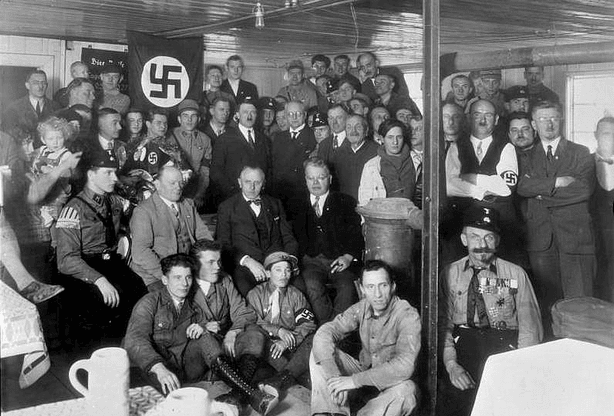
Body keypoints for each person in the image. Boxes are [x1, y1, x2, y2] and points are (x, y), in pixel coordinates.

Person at [124, 252, 277, 415]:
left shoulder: (194, 304)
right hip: (157, 370)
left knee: (209, 337)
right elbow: (134, 340)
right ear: (165, 280)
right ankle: (249, 393)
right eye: (177, 278)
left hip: (185, 367)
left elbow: (211, 340)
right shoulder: (150, 302)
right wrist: (158, 368)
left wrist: (205, 327)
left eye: (188, 277)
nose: (184, 283)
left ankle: (244, 393)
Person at [437, 205, 542, 416]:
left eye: (489, 238)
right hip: (464, 345)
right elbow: (442, 327)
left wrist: (520, 366)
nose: (482, 245)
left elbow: (530, 328)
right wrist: (451, 365)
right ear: (464, 239)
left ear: (497, 241)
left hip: (504, 346)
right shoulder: (450, 273)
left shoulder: (515, 274)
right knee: (457, 401)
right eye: (474, 237)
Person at [517, 100, 596, 335]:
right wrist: (557, 182)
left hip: (576, 241)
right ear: (534, 124)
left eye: (553, 118)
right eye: (542, 119)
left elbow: (583, 190)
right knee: (547, 306)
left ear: (561, 120)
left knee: (580, 305)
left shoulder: (580, 152)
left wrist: (541, 193)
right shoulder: (525, 156)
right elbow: (522, 187)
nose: (549, 124)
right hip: (541, 241)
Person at [55, 148, 147, 342]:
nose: (115, 178)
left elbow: (137, 214)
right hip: (84, 268)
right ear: (91, 175)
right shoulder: (73, 210)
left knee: (139, 290)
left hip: (110, 262)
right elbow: (66, 260)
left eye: (115, 172)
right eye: (108, 173)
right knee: (103, 302)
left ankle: (132, 347)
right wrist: (99, 280)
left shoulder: (114, 201)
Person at [310, 259, 421, 416]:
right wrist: (335, 378)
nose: (377, 294)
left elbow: (404, 366)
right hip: (363, 379)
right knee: (319, 353)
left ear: (393, 286)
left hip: (390, 386)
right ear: (362, 289)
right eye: (370, 287)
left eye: (383, 285)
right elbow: (325, 333)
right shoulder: (362, 307)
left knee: (407, 391)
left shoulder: (408, 315)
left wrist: (353, 381)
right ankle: (332, 412)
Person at [190, 240, 279, 414]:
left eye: (219, 261)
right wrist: (203, 326)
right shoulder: (184, 285)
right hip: (198, 353)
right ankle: (250, 393)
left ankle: (236, 395)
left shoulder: (224, 280)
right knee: (205, 338)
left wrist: (233, 332)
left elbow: (245, 313)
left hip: (224, 348)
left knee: (255, 334)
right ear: (195, 264)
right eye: (211, 262)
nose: (217, 267)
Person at [445, 99, 522, 265]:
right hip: (463, 217)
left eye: (488, 115)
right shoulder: (456, 146)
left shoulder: (506, 146)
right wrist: (481, 191)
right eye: (477, 115)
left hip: (500, 219)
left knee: (501, 270)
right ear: (468, 118)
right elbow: (449, 185)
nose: (482, 120)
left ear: (496, 119)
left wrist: (469, 177)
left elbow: (506, 187)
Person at [293, 157, 363, 324]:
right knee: (312, 285)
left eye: (321, 177)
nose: (315, 182)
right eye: (311, 178)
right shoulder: (296, 203)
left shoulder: (345, 202)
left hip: (339, 261)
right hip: (311, 262)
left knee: (347, 287)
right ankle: (327, 329)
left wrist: (348, 257)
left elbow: (356, 235)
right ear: (305, 180)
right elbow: (291, 237)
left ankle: (338, 329)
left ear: (330, 179)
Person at [216, 166, 298, 297]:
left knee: (299, 289)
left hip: (277, 263)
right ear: (239, 182)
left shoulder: (275, 204)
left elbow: (288, 237)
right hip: (245, 267)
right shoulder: (227, 207)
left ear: (263, 184)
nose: (252, 187)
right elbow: (223, 244)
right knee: (247, 292)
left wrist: (288, 261)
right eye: (247, 182)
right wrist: (247, 261)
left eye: (257, 182)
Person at [129, 165, 213, 291]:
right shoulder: (143, 211)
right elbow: (140, 252)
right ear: (157, 185)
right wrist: (167, 275)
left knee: (219, 285)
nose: (178, 187)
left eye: (180, 183)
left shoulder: (188, 204)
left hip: (187, 268)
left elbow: (203, 234)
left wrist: (209, 260)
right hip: (156, 275)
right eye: (172, 183)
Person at [246, 251, 316, 390]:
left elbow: (307, 324)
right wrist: (278, 330)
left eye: (287, 270)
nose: (284, 275)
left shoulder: (296, 295)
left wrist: (286, 342)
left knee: (315, 338)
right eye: (278, 270)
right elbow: (252, 322)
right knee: (255, 337)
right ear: (268, 273)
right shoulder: (256, 294)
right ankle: (292, 374)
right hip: (267, 347)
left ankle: (282, 377)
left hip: (289, 346)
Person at [210, 98, 271, 205]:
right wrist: (232, 191)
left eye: (253, 112)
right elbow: (216, 171)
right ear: (237, 115)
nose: (249, 116)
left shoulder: (264, 140)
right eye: (245, 112)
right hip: (233, 198)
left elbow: (269, 169)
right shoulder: (225, 139)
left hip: (259, 197)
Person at [270, 100, 316, 215]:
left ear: (305, 115)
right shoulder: (279, 138)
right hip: (282, 195)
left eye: (298, 114)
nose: (294, 117)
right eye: (290, 114)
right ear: (286, 116)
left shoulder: (313, 136)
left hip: (303, 196)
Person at [358, 119, 416, 206]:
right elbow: (364, 201)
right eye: (390, 137)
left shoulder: (416, 161)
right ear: (382, 139)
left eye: (399, 137)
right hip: (382, 213)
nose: (395, 142)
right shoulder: (371, 166)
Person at [168, 99, 212, 208]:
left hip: (193, 190)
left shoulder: (205, 140)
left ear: (199, 119)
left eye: (193, 116)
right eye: (185, 115)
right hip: (171, 189)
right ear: (179, 119)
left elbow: (205, 171)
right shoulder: (169, 136)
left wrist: (199, 194)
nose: (189, 119)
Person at [2, 70, 61, 148]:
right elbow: (8, 135)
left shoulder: (56, 107)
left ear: (47, 85)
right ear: (27, 85)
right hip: (23, 152)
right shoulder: (14, 108)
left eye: (43, 83)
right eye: (36, 83)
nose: (40, 86)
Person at [592, 117, 614, 302]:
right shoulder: (583, 162)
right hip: (592, 235)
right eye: (607, 134)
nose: (611, 139)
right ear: (596, 135)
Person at [331, 114, 378, 200]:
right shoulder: (338, 153)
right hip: (345, 203)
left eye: (358, 127)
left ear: (366, 130)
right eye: (349, 127)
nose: (353, 131)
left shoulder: (376, 152)